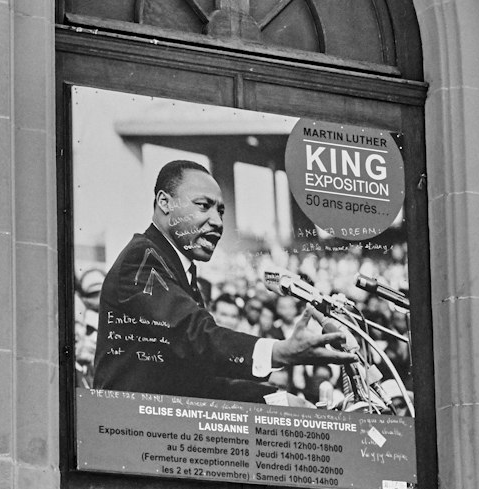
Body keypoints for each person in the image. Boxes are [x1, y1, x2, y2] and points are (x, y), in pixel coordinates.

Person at [92, 159, 353, 400]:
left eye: (221, 211)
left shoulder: (178, 268)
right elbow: (197, 339)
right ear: (165, 202)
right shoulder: (141, 258)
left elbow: (199, 379)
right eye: (203, 206)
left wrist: (275, 399)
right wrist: (279, 351)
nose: (217, 221)